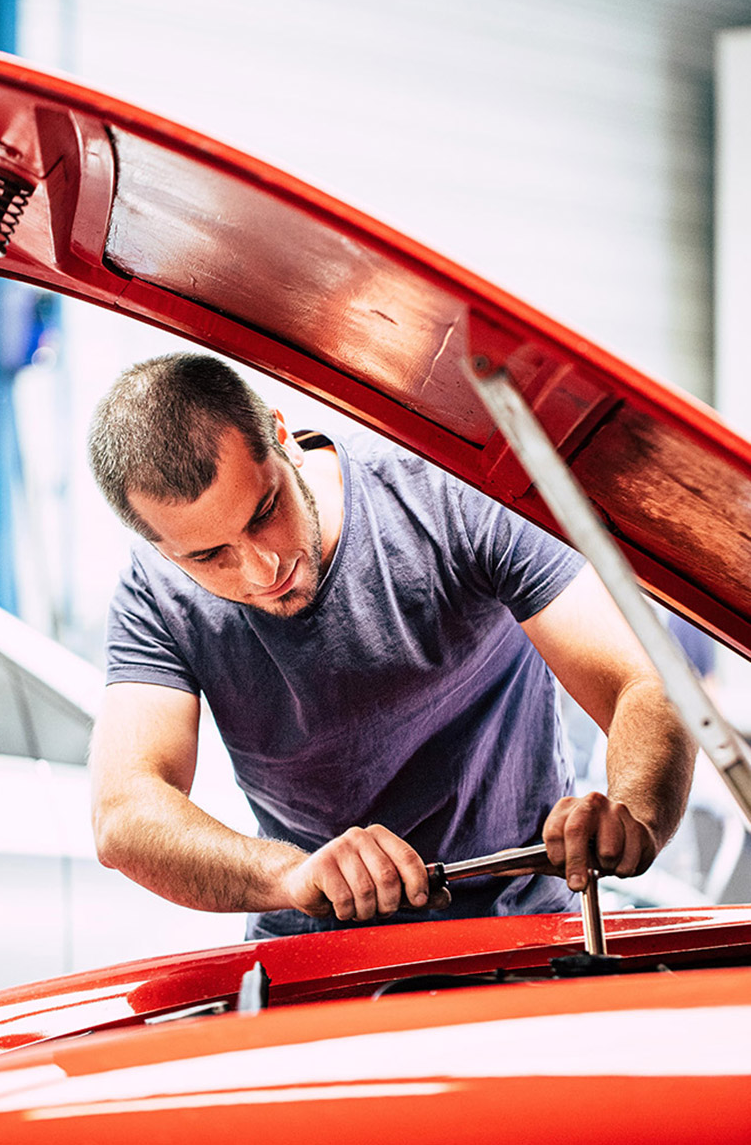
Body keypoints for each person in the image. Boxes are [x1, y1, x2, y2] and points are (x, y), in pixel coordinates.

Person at [88, 352, 696, 939]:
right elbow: (126, 812)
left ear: (280, 436)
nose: (261, 567)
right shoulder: (155, 593)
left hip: (522, 930)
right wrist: (291, 874)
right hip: (313, 950)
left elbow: (643, 682)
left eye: (264, 511)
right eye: (208, 556)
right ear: (160, 549)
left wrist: (634, 812)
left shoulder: (448, 494)